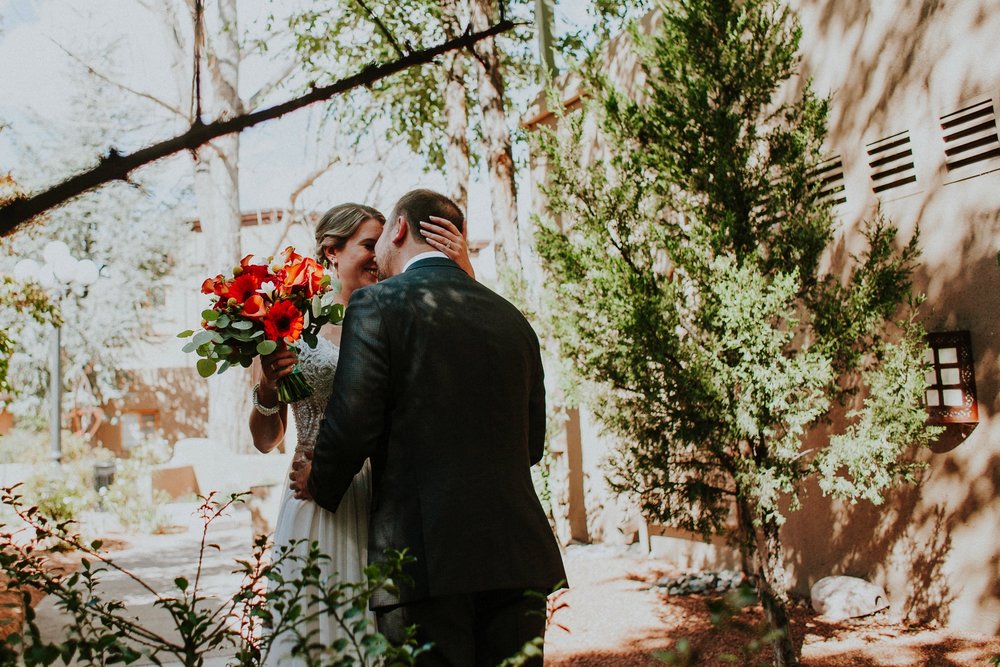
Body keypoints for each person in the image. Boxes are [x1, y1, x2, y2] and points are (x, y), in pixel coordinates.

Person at [290, 189, 567, 666]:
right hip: (518, 559)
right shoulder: (512, 318)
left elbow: (354, 423)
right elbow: (532, 444)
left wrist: (321, 479)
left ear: (398, 230)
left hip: (425, 563)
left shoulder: (378, 305)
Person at [249, 201, 474, 665]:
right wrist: (267, 385)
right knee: (315, 625)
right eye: (367, 244)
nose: (377, 256)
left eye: (380, 244)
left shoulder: (399, 311)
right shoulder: (287, 323)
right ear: (332, 251)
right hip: (314, 496)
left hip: (386, 493)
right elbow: (266, 439)